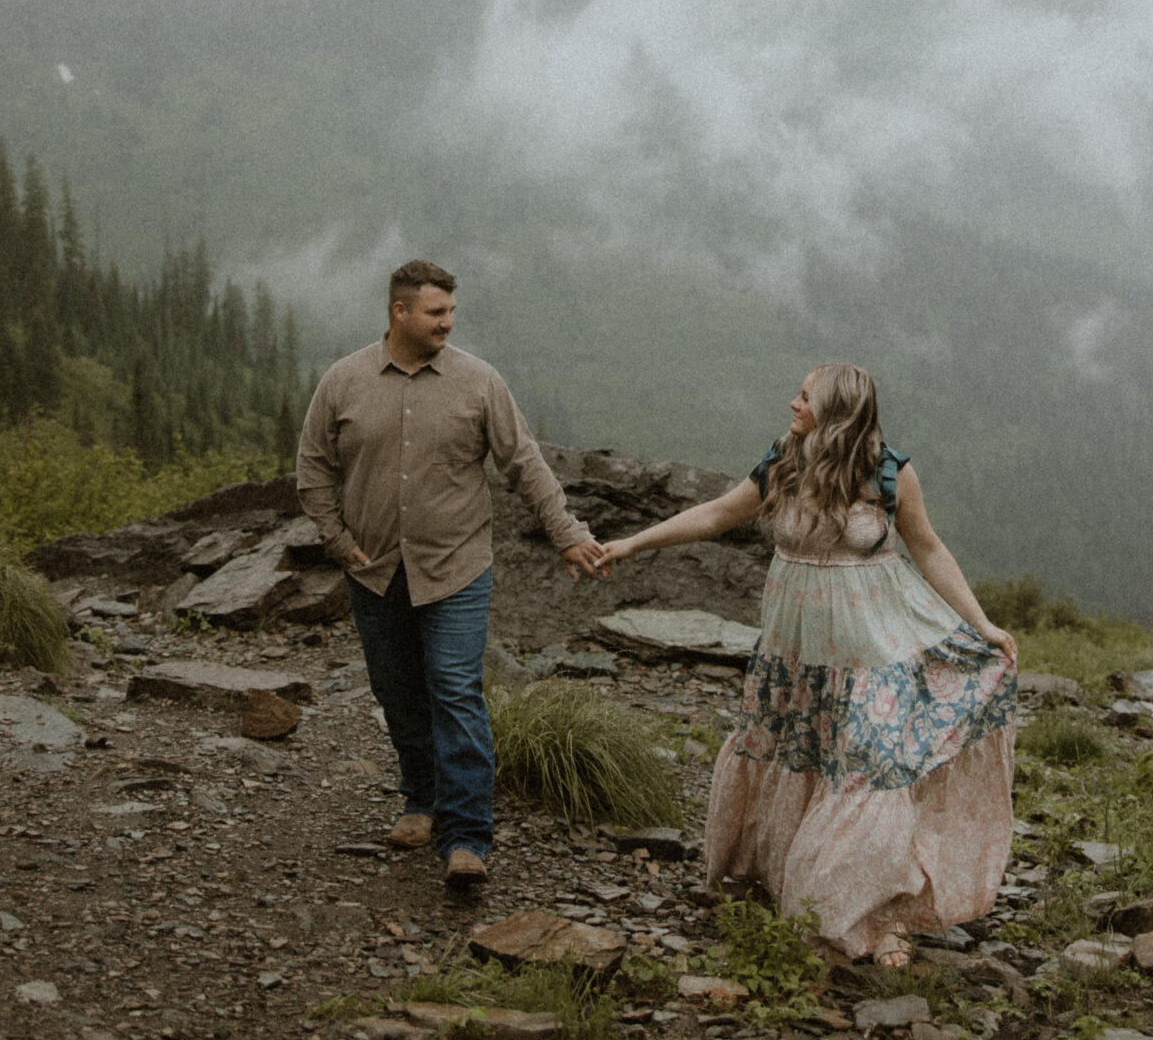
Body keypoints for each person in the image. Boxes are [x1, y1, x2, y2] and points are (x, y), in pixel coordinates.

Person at [597, 364, 1016, 963]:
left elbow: (927, 547)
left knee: (869, 772)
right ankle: (791, 877)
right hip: (796, 657)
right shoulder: (784, 463)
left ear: (838, 411)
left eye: (805, 396)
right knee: (806, 759)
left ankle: (879, 911)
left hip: (877, 652)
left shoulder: (890, 472)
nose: (792, 403)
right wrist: (631, 544)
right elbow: (717, 515)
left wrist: (982, 625)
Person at [295, 258, 603, 885]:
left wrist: (566, 533)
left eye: (451, 312)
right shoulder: (343, 381)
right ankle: (420, 798)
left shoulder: (479, 382)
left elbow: (525, 464)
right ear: (399, 312)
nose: (448, 323)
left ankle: (466, 836)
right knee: (396, 688)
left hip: (457, 567)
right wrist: (336, 540)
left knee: (455, 687)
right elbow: (313, 468)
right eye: (436, 313)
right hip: (373, 569)